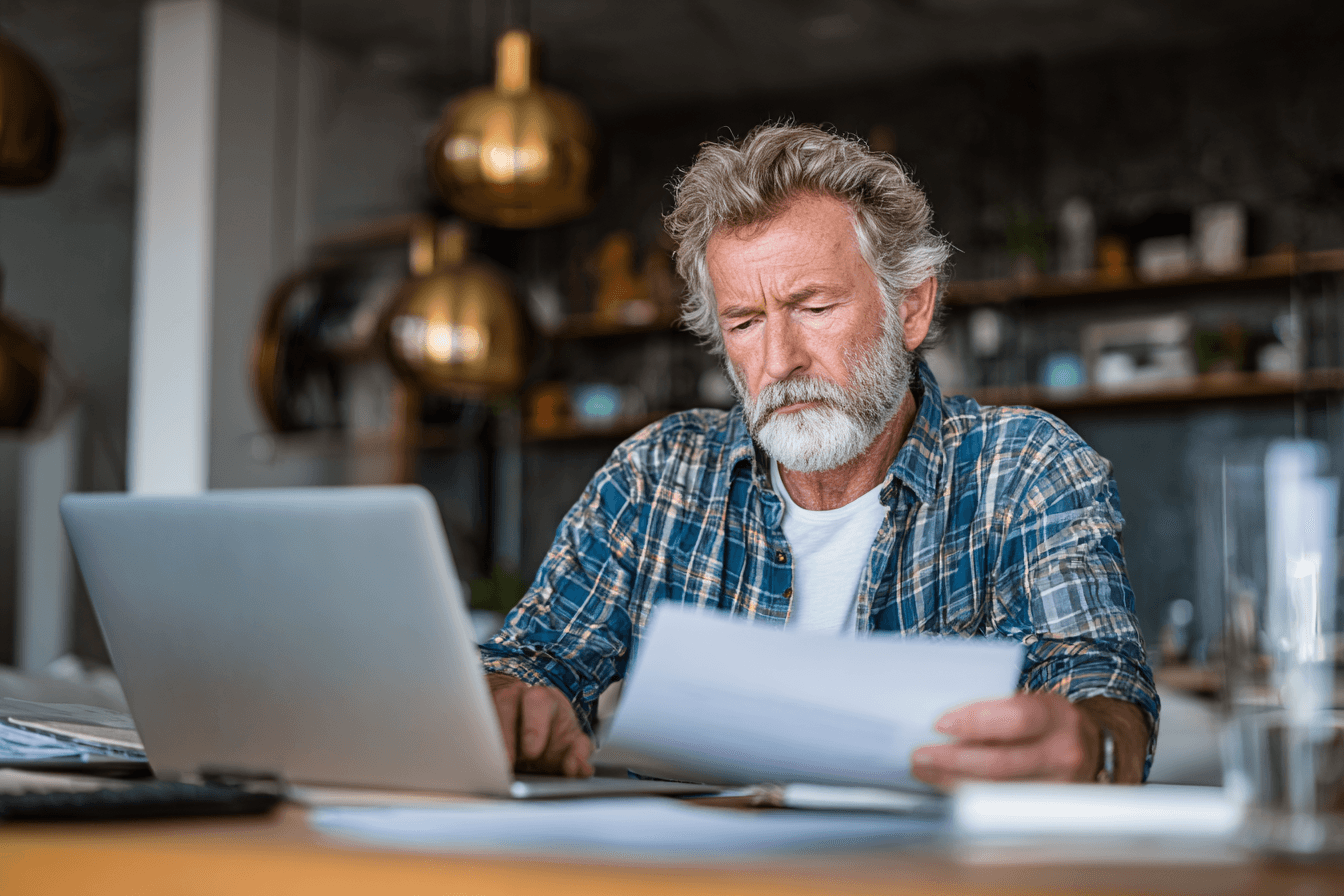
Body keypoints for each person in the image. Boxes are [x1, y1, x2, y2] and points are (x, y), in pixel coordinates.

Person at [480, 123, 1158, 787]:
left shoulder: (1024, 468)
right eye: (745, 322)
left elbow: (1101, 686)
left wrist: (1091, 743)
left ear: (912, 309)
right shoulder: (655, 477)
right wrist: (515, 705)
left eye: (814, 308)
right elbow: (533, 663)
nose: (779, 361)